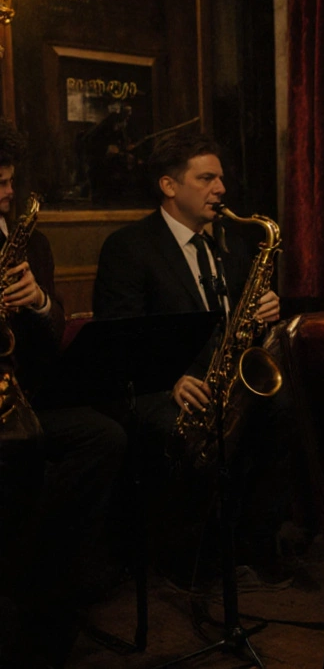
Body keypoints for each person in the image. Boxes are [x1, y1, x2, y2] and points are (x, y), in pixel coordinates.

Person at [92, 132, 285, 582]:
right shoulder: (129, 246)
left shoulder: (230, 246)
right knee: (193, 431)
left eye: (221, 178)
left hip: (224, 377)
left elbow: (235, 325)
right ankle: (187, 553)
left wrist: (263, 312)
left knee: (285, 410)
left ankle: (254, 540)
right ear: (169, 186)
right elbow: (120, 338)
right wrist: (173, 378)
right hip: (162, 385)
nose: (220, 188)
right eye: (206, 178)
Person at [0, 119, 127, 668]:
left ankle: (41, 574)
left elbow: (52, 336)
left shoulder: (33, 241)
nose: (6, 192)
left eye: (8, 180)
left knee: (105, 435)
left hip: (23, 397)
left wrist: (39, 303)